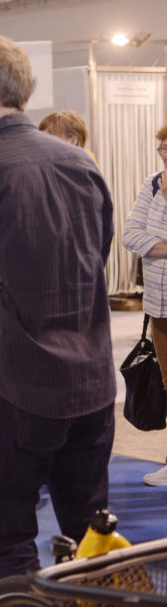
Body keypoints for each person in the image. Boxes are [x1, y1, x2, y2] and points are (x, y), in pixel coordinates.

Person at [0, 35, 115, 581]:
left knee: (10, 537)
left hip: (22, 386)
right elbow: (96, 254)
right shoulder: (81, 163)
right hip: (93, 382)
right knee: (92, 534)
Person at [123, 123, 167, 487]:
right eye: (162, 148)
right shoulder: (153, 182)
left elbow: (147, 237)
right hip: (159, 304)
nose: (164, 154)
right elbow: (130, 234)